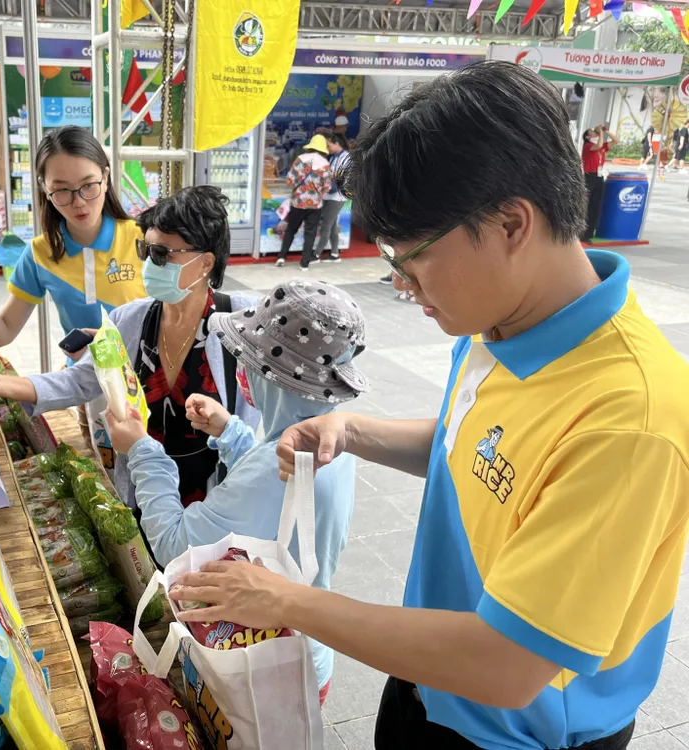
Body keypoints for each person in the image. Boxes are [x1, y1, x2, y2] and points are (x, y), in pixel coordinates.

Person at [168, 62, 689, 750]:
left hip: (511, 731)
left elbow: (507, 666)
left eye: (411, 257)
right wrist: (351, 429)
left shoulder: (631, 417)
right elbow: (476, 449)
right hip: (426, 672)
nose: (400, 282)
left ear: (510, 223)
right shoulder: (500, 323)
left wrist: (286, 601)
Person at [105, 278, 368, 706]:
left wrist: (140, 451)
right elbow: (274, 489)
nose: (241, 370)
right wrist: (231, 431)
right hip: (305, 653)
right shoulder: (332, 440)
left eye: (248, 361)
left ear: (275, 377)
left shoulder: (274, 468)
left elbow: (174, 545)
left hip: (260, 667)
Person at [0, 186, 260, 508]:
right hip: (145, 502)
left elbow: (296, 385)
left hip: (219, 506)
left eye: (162, 255)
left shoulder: (247, 323)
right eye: (145, 251)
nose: (150, 264)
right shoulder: (132, 320)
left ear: (205, 263)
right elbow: (80, 380)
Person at [0, 126, 145, 347]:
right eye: (62, 190)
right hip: (81, 378)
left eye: (88, 185)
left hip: (144, 376)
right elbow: (4, 331)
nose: (78, 201)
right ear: (45, 189)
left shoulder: (143, 238)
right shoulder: (41, 253)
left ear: (105, 178)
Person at [275, 134, 332, 271]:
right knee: (310, 232)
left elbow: (289, 180)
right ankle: (304, 262)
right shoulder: (325, 164)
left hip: (297, 203)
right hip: (315, 205)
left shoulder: (300, 159)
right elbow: (327, 187)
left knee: (291, 230)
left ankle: (282, 257)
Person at [313, 133, 352, 264]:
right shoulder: (333, 157)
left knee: (326, 224)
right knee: (332, 225)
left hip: (338, 196)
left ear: (336, 143)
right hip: (330, 194)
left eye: (329, 145)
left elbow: (341, 176)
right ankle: (335, 253)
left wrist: (331, 175)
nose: (327, 148)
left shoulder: (346, 157)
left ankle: (316, 253)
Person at [580, 124, 611, 243]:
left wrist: (606, 131)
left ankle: (589, 233)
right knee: (586, 204)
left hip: (599, 176)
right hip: (589, 176)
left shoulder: (601, 147)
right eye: (592, 132)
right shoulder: (588, 146)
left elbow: (615, 140)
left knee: (596, 205)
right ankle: (581, 232)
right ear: (588, 137)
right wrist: (600, 133)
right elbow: (598, 145)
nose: (595, 132)